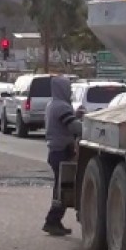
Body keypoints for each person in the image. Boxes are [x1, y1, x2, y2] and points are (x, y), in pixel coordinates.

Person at [43, 76, 81, 236]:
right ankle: (52, 221)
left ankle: (55, 221)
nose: (70, 91)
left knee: (60, 188)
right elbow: (73, 127)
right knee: (62, 189)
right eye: (68, 88)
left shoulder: (52, 104)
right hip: (61, 151)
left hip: (55, 151)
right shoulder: (61, 106)